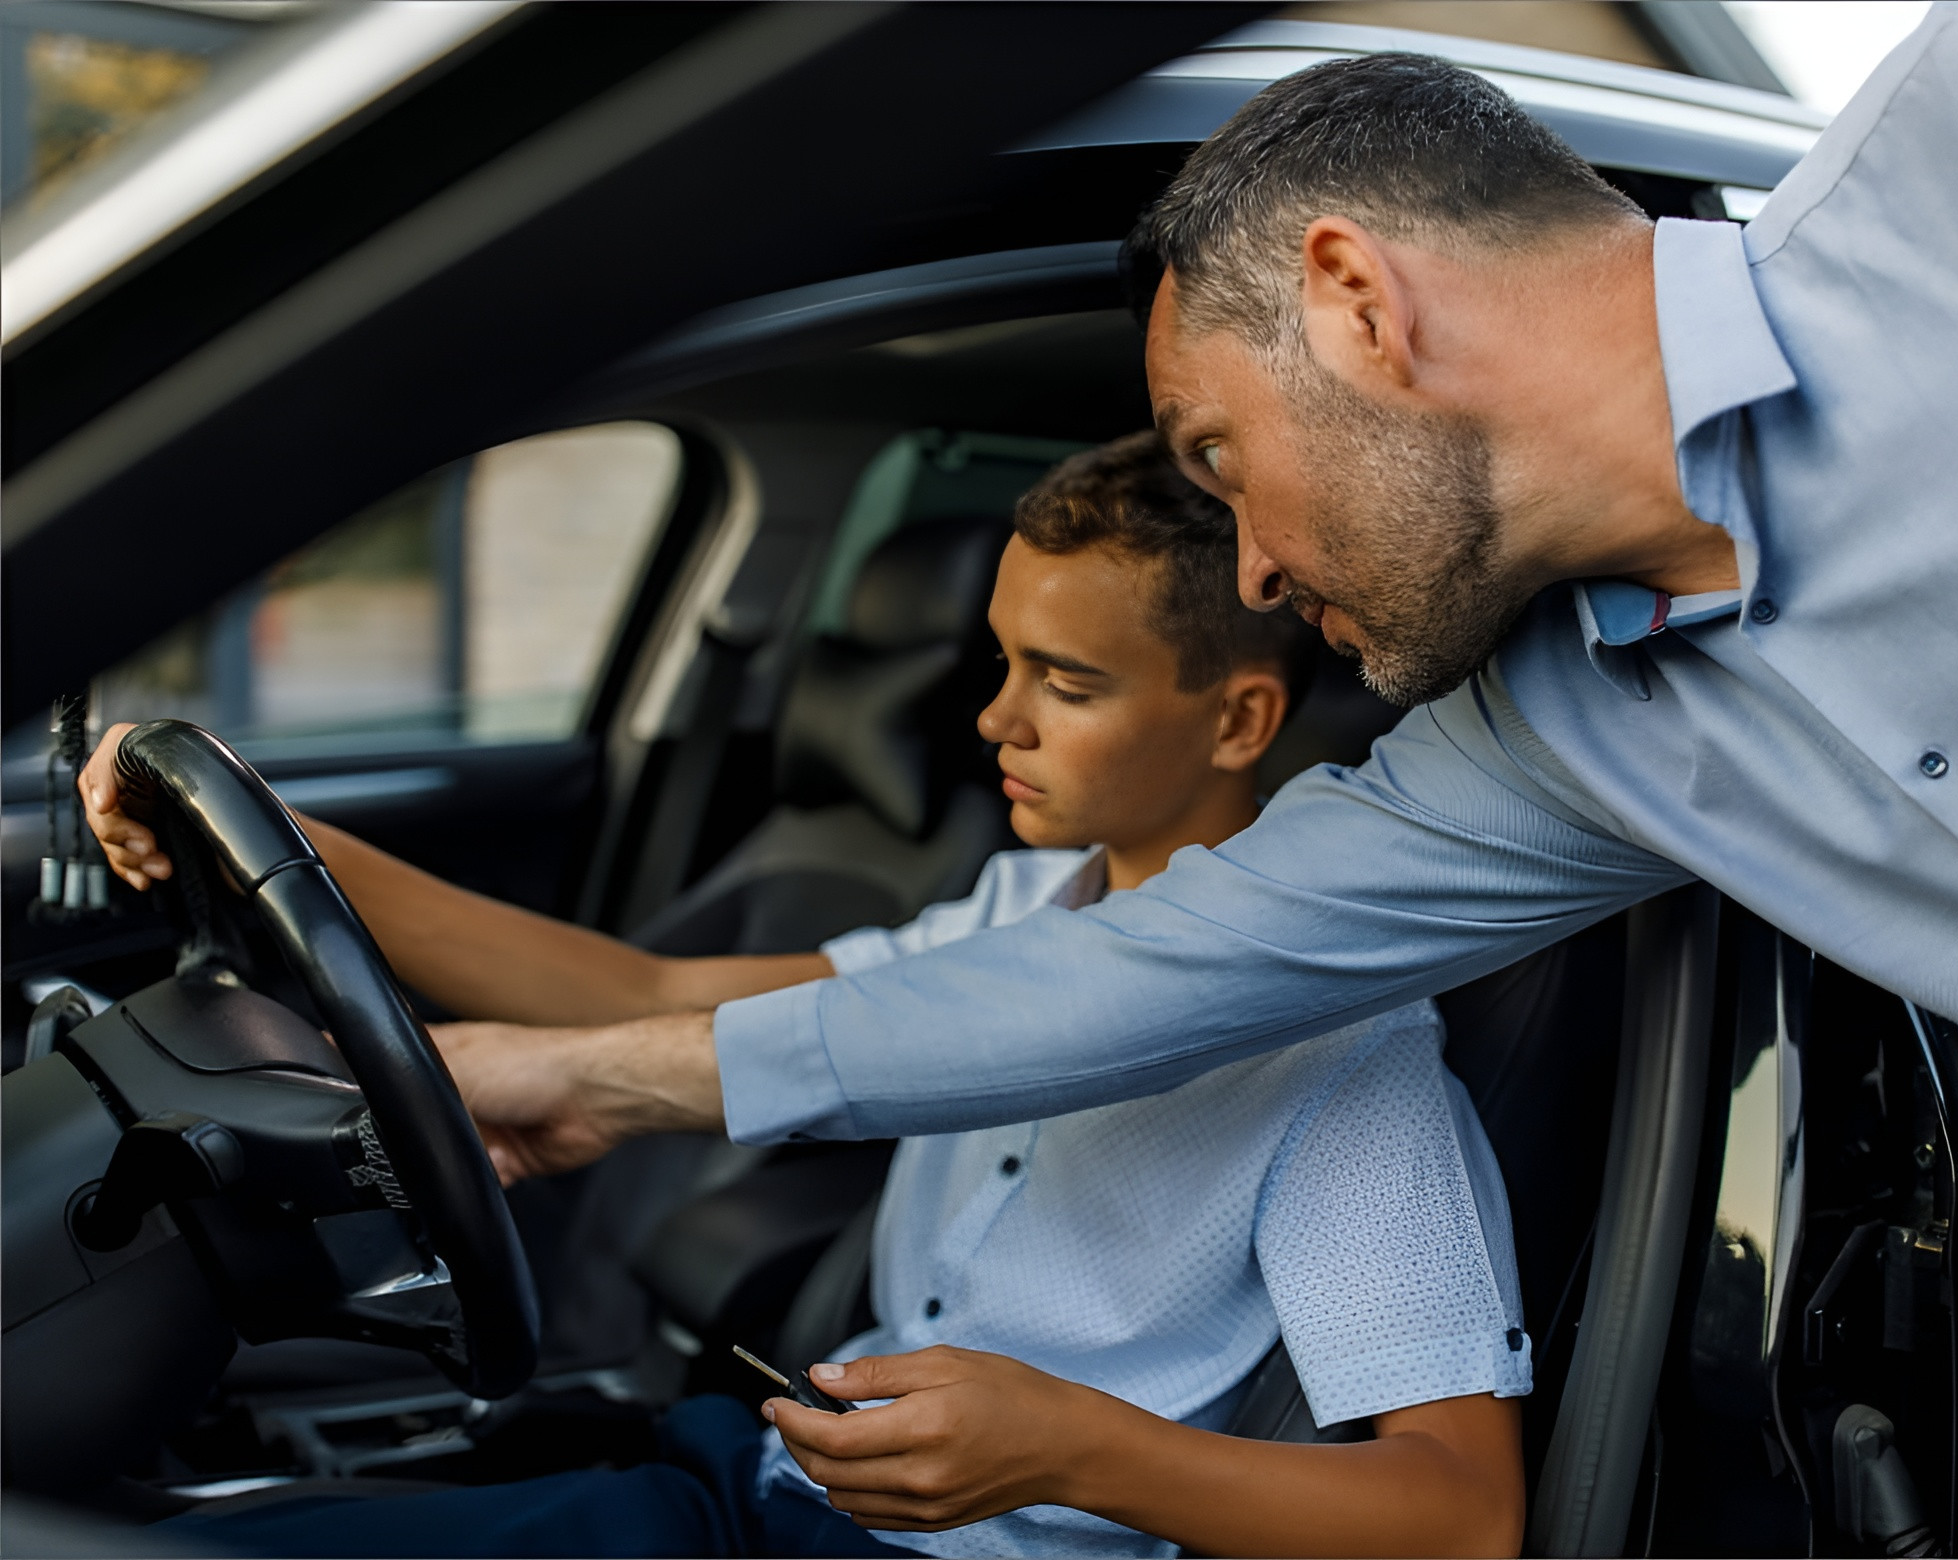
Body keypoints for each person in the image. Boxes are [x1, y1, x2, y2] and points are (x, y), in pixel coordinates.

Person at [91, 6, 1958, 1552]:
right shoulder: (1573, 750)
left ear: (1357, 299)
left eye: (1216, 461)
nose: (1250, 563)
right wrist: (606, 1085)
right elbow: (1101, 995)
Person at [148, 434, 1532, 1559]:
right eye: (1001, 662)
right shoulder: (1010, 915)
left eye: (1065, 682)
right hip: (754, 1478)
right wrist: (284, 845)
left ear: (1237, 720)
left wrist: (1071, 1449)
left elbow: (1461, 1515)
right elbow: (648, 992)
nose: (997, 719)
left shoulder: (1348, 1051)